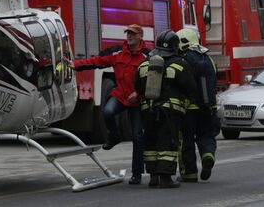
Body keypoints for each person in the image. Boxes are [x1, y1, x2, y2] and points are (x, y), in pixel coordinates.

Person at [64, 24, 149, 185]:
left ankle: (136, 174)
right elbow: (97, 61)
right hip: (121, 96)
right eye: (128, 33)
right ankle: (114, 136)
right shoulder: (117, 53)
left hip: (137, 100)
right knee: (108, 112)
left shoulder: (147, 56)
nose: (129, 36)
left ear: (140, 37)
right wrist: (76, 64)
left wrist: (139, 94)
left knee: (138, 137)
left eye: (132, 34)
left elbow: (153, 80)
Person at [135, 29, 197, 188]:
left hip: (147, 110)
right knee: (167, 142)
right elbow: (190, 88)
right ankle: (166, 178)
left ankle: (153, 177)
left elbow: (138, 88)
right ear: (175, 47)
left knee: (151, 142)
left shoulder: (143, 65)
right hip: (170, 112)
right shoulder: (180, 65)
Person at [176, 28, 219, 183]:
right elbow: (214, 84)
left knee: (186, 140)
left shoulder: (183, 60)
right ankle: (208, 155)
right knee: (206, 135)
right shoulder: (209, 59)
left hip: (188, 109)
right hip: (208, 108)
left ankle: (189, 173)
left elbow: (181, 84)